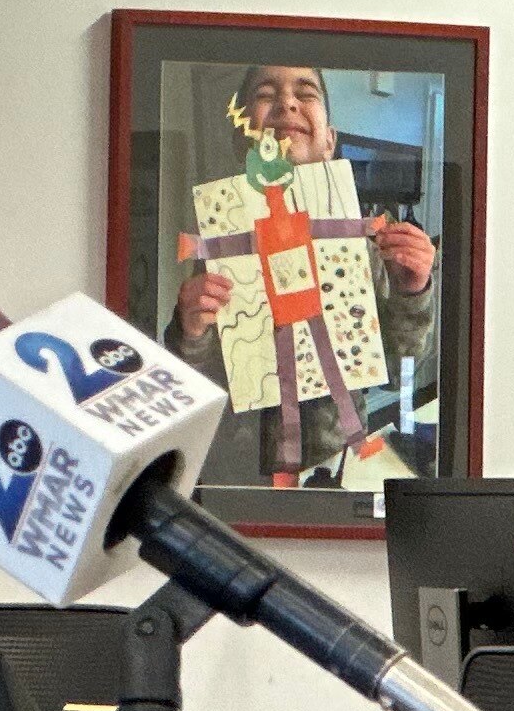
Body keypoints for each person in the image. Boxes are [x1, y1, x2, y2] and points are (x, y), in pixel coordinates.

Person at [164, 60, 438, 488]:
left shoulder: (359, 252)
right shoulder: (224, 245)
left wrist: (412, 291)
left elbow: (394, 360)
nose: (287, 103)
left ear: (329, 141)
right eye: (265, 94)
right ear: (243, 139)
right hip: (237, 470)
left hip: (331, 466)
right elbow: (202, 382)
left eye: (306, 93)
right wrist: (190, 334)